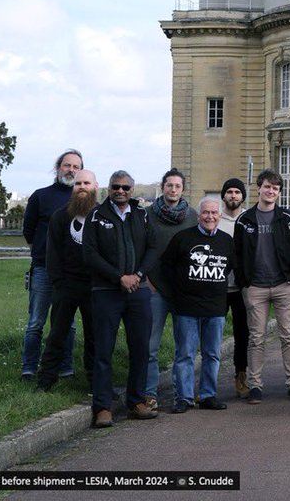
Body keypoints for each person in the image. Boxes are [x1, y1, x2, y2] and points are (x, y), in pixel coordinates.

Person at [83, 170, 158, 428]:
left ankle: (136, 401)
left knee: (140, 348)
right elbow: (90, 254)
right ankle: (103, 407)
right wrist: (118, 277)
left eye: (126, 187)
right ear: (109, 188)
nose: (121, 191)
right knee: (103, 349)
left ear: (132, 190)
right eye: (116, 187)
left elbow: (153, 248)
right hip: (106, 292)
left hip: (137, 291)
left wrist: (137, 275)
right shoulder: (96, 216)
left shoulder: (142, 215)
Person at [235, 169, 290, 403]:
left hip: (284, 284)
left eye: (275, 188)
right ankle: (255, 385)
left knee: (289, 336)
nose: (271, 191)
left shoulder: (287, 219)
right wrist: (244, 280)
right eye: (267, 187)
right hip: (255, 286)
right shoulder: (244, 220)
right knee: (257, 337)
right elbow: (237, 252)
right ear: (259, 188)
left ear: (279, 192)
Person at [161, 197, 235, 413]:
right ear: (199, 215)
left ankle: (208, 395)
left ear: (220, 216)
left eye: (214, 213)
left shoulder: (226, 241)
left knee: (212, 354)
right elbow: (167, 266)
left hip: (215, 308)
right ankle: (183, 398)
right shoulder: (182, 238)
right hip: (186, 308)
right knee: (185, 354)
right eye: (206, 213)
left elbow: (230, 267)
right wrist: (179, 290)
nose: (210, 217)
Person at [21, 149, 83, 382]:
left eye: (76, 167)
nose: (71, 170)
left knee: (69, 324)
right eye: (67, 166)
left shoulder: (82, 199)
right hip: (43, 269)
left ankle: (65, 367)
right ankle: (28, 368)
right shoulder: (40, 196)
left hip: (71, 272)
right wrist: (42, 252)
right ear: (58, 168)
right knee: (36, 322)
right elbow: (29, 231)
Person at [35, 169, 97, 392]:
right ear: (73, 188)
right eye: (78, 183)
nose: (82, 186)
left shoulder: (102, 216)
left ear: (95, 187)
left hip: (94, 287)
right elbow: (52, 254)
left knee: (95, 337)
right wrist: (59, 283)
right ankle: (45, 381)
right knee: (57, 335)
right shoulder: (60, 216)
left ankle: (94, 382)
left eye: (86, 183)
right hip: (66, 286)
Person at [144, 168, 190, 411]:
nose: (173, 189)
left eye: (177, 186)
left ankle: (183, 394)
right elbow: (139, 248)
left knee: (184, 347)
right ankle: (149, 394)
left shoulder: (192, 216)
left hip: (183, 291)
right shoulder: (147, 215)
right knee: (150, 346)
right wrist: (147, 280)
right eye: (169, 185)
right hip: (155, 289)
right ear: (163, 188)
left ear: (183, 189)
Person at [217, 178, 250, 398]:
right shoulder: (214, 218)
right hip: (218, 287)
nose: (233, 195)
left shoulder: (249, 219)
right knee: (212, 336)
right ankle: (208, 383)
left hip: (242, 288)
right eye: (229, 191)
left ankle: (241, 376)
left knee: (243, 334)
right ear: (224, 196)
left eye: (237, 192)